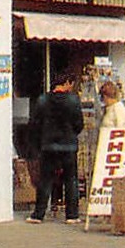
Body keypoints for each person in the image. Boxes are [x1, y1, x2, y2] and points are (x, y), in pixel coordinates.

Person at [27, 72, 84, 224]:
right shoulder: (73, 100)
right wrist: (72, 133)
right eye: (71, 84)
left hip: (48, 145)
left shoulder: (43, 100)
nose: (71, 87)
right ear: (66, 82)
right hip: (69, 145)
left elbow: (35, 123)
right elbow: (79, 124)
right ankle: (72, 215)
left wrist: (39, 141)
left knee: (45, 180)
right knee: (71, 180)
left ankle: (38, 214)